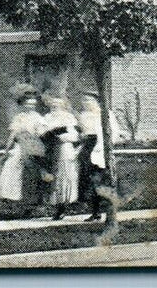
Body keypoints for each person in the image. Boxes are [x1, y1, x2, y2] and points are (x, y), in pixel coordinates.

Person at [0, 89, 47, 210]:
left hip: (31, 148)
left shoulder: (39, 118)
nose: (30, 105)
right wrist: (6, 151)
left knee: (28, 173)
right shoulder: (19, 117)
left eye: (33, 103)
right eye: (28, 103)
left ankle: (29, 203)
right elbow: (13, 135)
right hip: (19, 147)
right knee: (11, 169)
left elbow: (42, 135)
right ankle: (11, 199)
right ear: (23, 104)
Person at [40, 95, 81, 220]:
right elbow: (42, 134)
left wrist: (59, 137)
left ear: (63, 106)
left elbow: (75, 136)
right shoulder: (46, 118)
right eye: (52, 105)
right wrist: (50, 135)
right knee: (52, 177)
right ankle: (53, 205)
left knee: (64, 177)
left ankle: (62, 207)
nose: (54, 107)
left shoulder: (69, 118)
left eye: (57, 105)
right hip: (50, 151)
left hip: (64, 150)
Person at [75, 92, 111, 221]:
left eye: (89, 100)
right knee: (88, 180)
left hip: (99, 147)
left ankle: (106, 211)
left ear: (97, 101)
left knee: (99, 180)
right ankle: (95, 212)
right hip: (86, 147)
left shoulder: (105, 114)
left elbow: (113, 132)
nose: (86, 103)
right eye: (84, 100)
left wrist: (102, 147)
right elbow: (80, 132)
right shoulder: (83, 116)